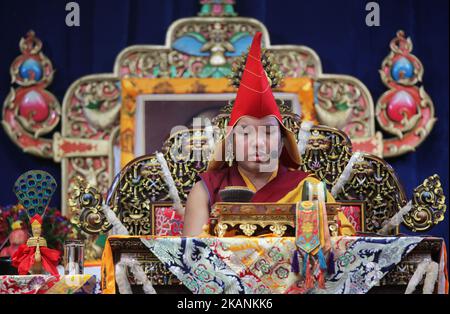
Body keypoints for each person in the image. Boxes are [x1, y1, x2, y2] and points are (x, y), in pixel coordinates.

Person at [183, 32, 355, 248]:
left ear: (283, 142)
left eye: (267, 132)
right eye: (246, 133)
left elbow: (346, 245)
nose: (258, 143)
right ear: (231, 143)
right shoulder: (207, 190)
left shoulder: (308, 189)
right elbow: (189, 257)